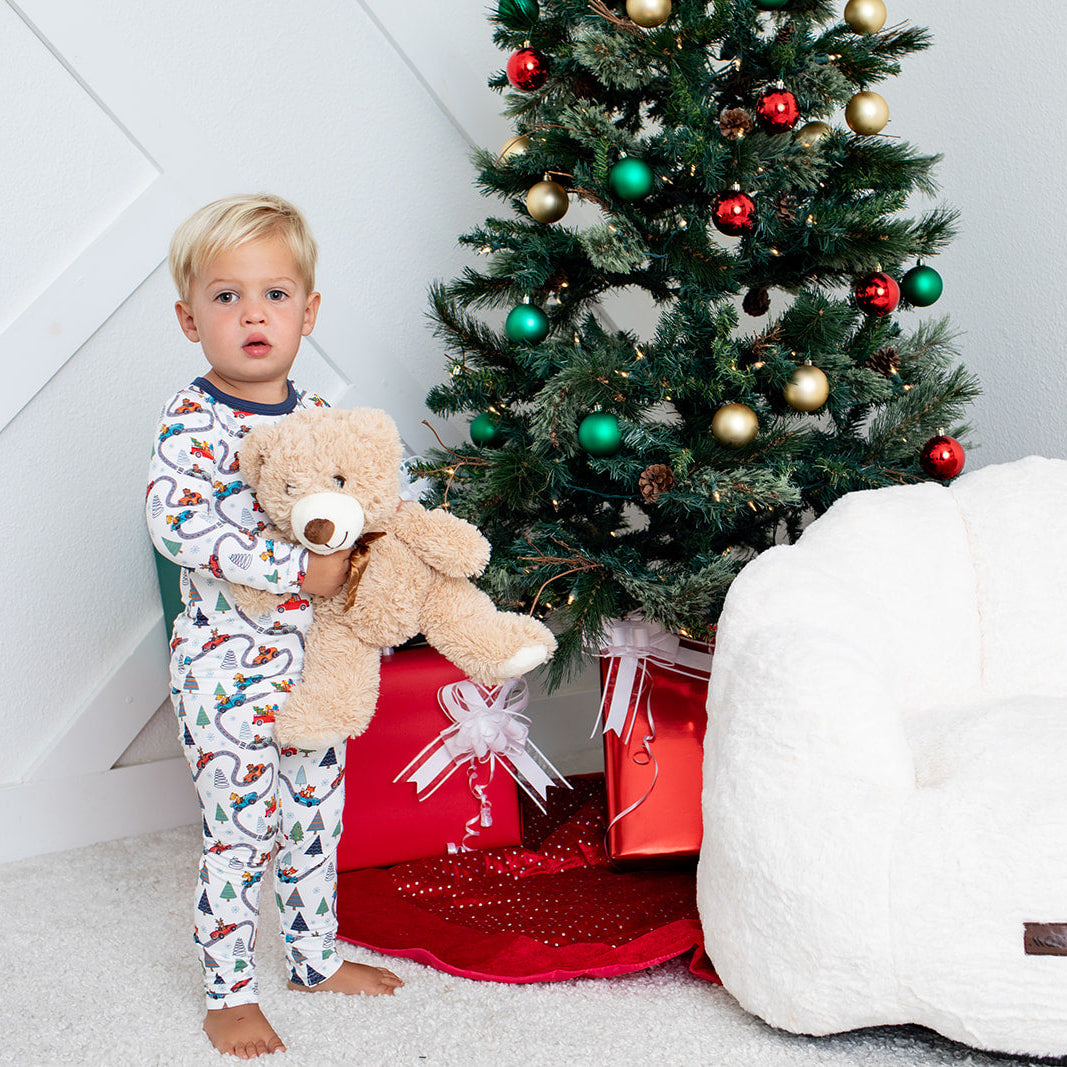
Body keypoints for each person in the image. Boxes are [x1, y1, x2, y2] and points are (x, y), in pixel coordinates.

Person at [145, 194, 403, 1058]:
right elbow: (180, 526)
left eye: (275, 294)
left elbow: (358, 495)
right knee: (241, 828)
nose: (253, 313)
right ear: (190, 319)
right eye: (225, 297)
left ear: (308, 311)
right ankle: (227, 990)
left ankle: (312, 955)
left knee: (315, 815)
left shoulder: (316, 418)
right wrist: (300, 568)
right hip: (227, 670)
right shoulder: (194, 423)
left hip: (314, 668)